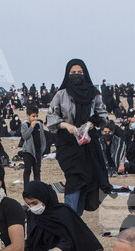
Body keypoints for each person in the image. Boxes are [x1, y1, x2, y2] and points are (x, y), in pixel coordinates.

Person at [46, 59, 111, 216]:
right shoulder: (61, 95)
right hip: (67, 143)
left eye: (79, 73)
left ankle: (76, 216)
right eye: (73, 73)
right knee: (74, 177)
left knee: (87, 180)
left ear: (85, 74)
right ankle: (69, 215)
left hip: (88, 144)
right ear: (68, 74)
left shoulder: (94, 94)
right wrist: (67, 126)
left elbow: (103, 115)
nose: (76, 75)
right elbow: (51, 117)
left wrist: (91, 123)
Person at [21, 181, 103, 251]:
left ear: (44, 198)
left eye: (34, 203)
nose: (32, 207)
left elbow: (71, 240)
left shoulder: (63, 212)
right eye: (29, 204)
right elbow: (32, 243)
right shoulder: (32, 215)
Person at [19, 106, 45, 186]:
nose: (35, 118)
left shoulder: (39, 125)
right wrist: (31, 127)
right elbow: (25, 136)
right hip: (28, 152)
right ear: (28, 116)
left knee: (37, 171)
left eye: (36, 116)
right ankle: (26, 187)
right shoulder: (24, 125)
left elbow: (42, 137)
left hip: (37, 152)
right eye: (33, 116)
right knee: (27, 170)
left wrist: (42, 150)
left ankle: (38, 187)